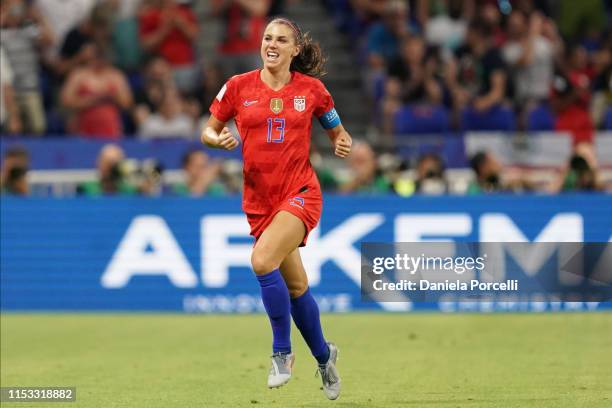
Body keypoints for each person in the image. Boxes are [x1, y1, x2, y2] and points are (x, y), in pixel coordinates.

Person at [201, 17, 352, 400]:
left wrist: (342, 141)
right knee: (297, 286)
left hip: (300, 192)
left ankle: (282, 353)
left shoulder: (313, 91)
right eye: (267, 37)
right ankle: (323, 355)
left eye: (281, 39)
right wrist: (216, 140)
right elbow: (208, 129)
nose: (272, 43)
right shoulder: (237, 87)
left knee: (262, 261)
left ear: (294, 49)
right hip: (259, 201)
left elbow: (337, 129)